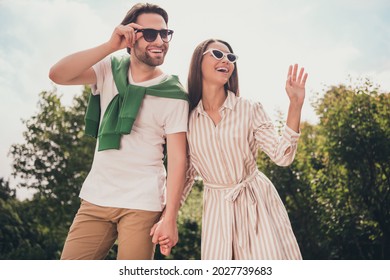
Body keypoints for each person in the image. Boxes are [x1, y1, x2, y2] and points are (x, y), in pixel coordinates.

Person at [48, 3, 188, 260]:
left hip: (142, 203)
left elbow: (179, 160)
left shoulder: (174, 92)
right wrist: (110, 45)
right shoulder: (108, 69)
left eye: (164, 34)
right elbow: (58, 74)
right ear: (130, 38)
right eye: (149, 34)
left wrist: (170, 218)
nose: (159, 40)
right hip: (96, 198)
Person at [161, 38, 308, 259]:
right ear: (198, 61)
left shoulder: (250, 109)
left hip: (256, 204)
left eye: (231, 57)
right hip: (217, 212)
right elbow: (186, 176)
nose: (226, 61)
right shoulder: (187, 120)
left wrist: (295, 105)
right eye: (217, 55)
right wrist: (167, 218)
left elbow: (282, 156)